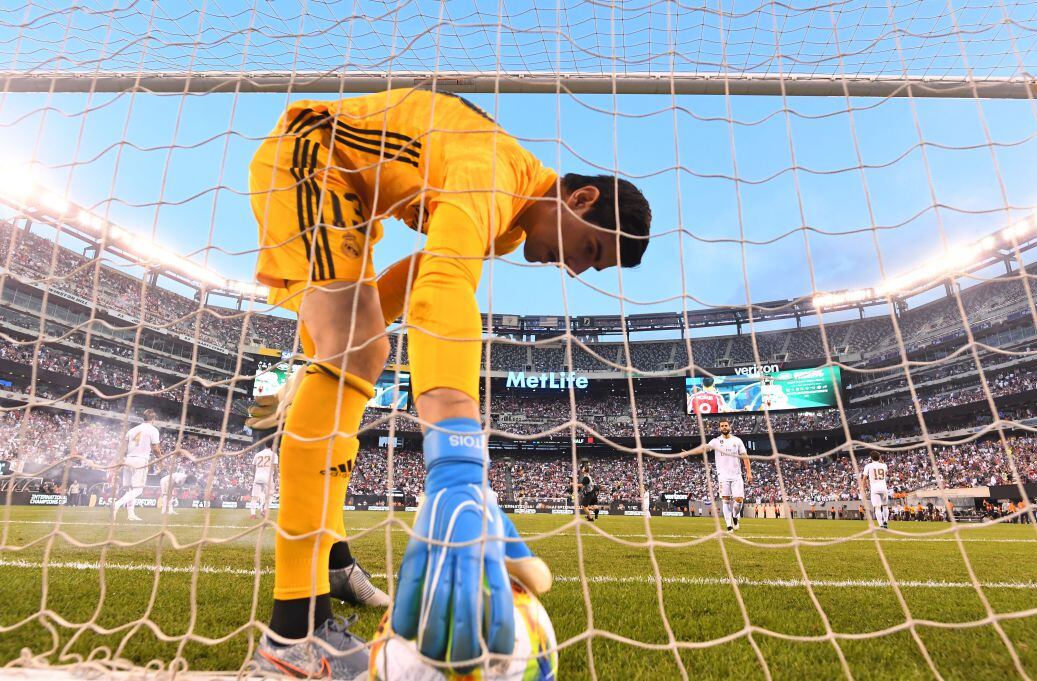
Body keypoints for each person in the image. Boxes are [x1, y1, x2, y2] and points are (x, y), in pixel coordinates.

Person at [246, 87, 651, 677]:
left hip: (349, 190)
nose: (573, 268)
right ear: (581, 197)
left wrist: (327, 353)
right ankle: (292, 639)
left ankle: (329, 555)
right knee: (355, 354)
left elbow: (421, 274)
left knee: (356, 351)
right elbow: (442, 284)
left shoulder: (509, 220)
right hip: (311, 156)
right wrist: (457, 456)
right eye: (588, 249)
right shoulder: (495, 176)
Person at [113, 409, 161, 522]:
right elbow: (155, 448)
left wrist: (120, 460)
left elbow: (123, 447)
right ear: (154, 419)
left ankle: (131, 514)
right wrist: (160, 459)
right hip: (140, 460)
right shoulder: (153, 430)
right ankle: (117, 504)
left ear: (143, 418)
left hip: (128, 459)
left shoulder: (132, 430)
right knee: (138, 489)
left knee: (130, 489)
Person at [706, 419, 752, 531]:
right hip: (723, 476)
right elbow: (704, 448)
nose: (724, 427)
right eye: (722, 426)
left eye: (726, 425)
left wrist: (749, 472)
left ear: (729, 426)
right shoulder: (715, 441)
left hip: (736, 475)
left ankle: (735, 516)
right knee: (725, 500)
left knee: (739, 500)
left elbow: (745, 457)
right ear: (720, 428)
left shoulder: (737, 441)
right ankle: (729, 526)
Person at [861, 453, 890, 530]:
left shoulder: (868, 466)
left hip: (874, 488)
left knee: (877, 507)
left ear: (871, 458)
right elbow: (885, 469)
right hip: (883, 487)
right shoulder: (884, 465)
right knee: (885, 506)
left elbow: (864, 478)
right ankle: (885, 522)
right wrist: (880, 459)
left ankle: (881, 525)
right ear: (879, 457)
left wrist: (863, 488)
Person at [249, 445, 278, 520]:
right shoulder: (273, 454)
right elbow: (275, 467)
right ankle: (264, 510)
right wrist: (276, 476)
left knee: (254, 497)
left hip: (258, 477)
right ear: (272, 446)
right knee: (270, 495)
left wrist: (255, 476)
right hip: (268, 477)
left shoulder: (258, 454)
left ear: (265, 446)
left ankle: (253, 514)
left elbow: (253, 467)